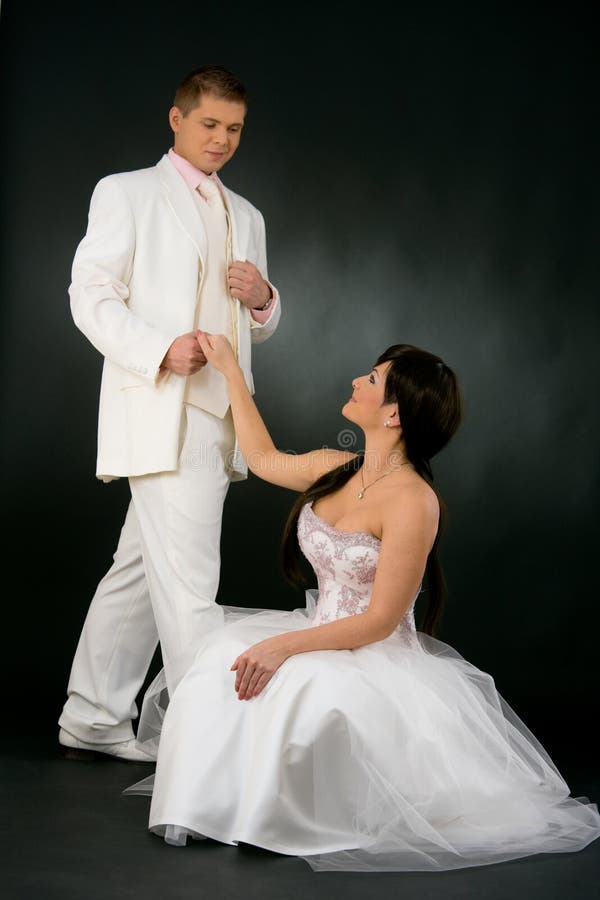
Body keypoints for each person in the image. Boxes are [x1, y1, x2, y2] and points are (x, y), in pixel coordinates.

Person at [124, 336, 600, 871]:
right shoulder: (339, 467)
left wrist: (284, 645)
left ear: (394, 413)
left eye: (372, 380)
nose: (357, 381)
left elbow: (378, 620)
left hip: (372, 653)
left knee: (306, 691)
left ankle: (276, 819)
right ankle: (223, 809)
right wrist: (232, 370)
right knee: (218, 665)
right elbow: (263, 459)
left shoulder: (413, 501)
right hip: (320, 629)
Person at [58, 66, 281, 763]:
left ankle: (92, 717)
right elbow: (90, 295)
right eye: (210, 124)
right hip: (159, 408)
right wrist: (160, 350)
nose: (222, 139)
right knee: (189, 586)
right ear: (177, 119)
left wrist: (264, 298)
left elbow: (260, 327)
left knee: (136, 572)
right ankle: (204, 754)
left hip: (220, 419)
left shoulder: (247, 215)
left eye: (234, 129)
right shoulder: (125, 192)